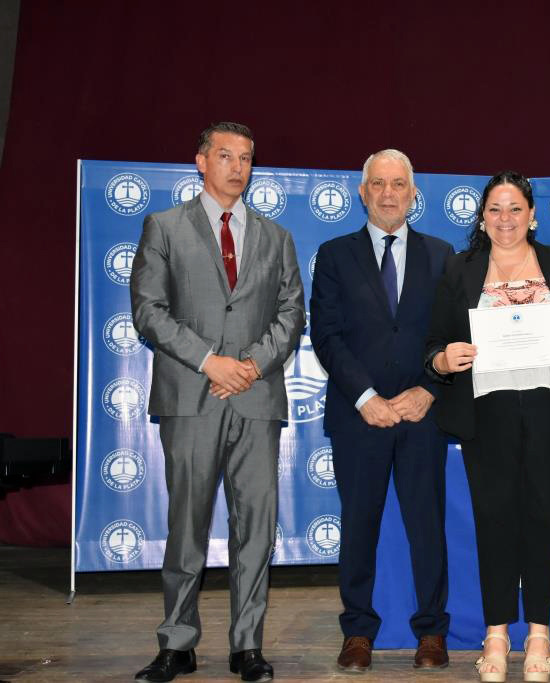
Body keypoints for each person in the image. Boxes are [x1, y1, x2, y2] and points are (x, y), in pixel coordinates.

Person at [130, 121, 305, 683]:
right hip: (191, 395)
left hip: (256, 399)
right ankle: (176, 644)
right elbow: (149, 311)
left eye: (247, 158)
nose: (237, 166)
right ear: (200, 162)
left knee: (257, 528)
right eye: (225, 155)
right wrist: (212, 362)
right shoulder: (162, 227)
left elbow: (290, 313)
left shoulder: (277, 237)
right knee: (186, 526)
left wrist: (249, 365)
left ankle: (246, 646)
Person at [425, 171, 550, 683]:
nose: (505, 220)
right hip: (486, 413)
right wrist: (443, 358)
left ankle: (539, 634)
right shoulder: (459, 269)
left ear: (532, 214)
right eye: (495, 210)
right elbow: (434, 344)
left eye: (515, 209)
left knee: (541, 520)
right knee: (494, 523)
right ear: (481, 218)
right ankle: (496, 633)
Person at [309, 149, 455, 672]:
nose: (389, 193)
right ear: (362, 191)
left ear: (414, 193)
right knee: (359, 525)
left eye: (398, 184)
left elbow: (454, 336)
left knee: (427, 525)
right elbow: (326, 336)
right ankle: (357, 632)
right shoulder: (333, 254)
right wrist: (366, 397)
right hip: (358, 416)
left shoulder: (443, 254)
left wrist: (430, 390)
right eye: (378, 183)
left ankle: (432, 633)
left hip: (423, 415)